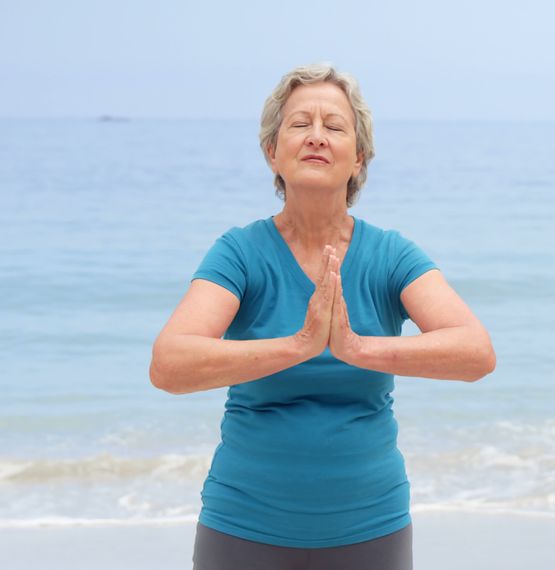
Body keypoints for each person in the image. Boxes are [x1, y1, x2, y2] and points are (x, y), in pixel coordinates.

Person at [149, 63, 496, 569]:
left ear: (359, 158)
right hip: (243, 526)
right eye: (299, 124)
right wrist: (300, 344)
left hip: (370, 527)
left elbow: (475, 353)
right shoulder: (240, 253)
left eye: (334, 126)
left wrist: (355, 347)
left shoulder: (391, 255)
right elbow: (168, 365)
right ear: (273, 152)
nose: (316, 137)